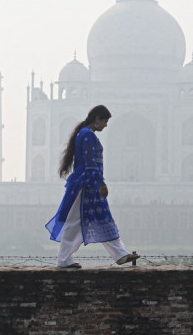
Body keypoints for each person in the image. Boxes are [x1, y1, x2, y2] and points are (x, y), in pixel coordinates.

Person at [45, 105, 139, 268]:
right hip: (86, 183)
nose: (106, 125)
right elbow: (90, 163)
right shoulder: (87, 135)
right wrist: (101, 183)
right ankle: (64, 259)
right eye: (105, 121)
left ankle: (120, 254)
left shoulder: (85, 134)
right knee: (74, 222)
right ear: (97, 119)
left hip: (88, 182)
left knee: (102, 218)